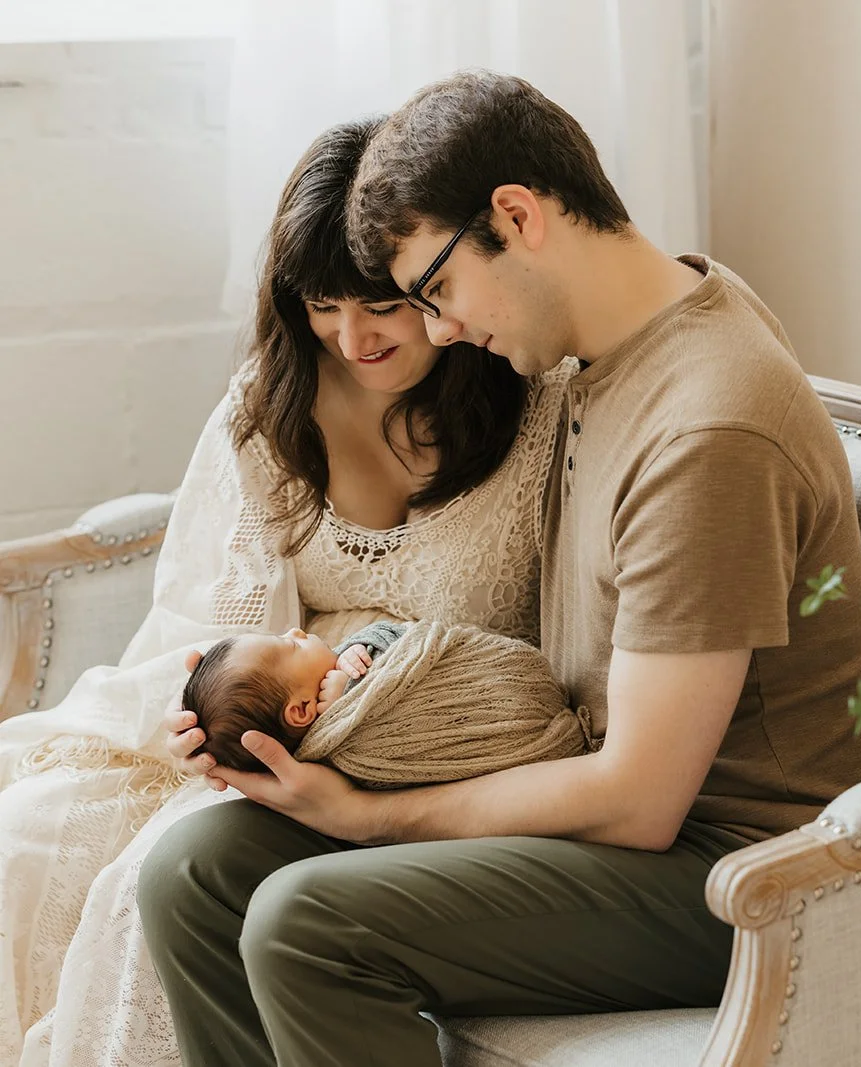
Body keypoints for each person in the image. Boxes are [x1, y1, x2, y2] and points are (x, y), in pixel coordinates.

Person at [141, 70, 861, 1066]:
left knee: (307, 922)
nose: (440, 330)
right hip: (613, 814)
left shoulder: (707, 429)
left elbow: (638, 797)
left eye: (437, 290)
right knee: (191, 867)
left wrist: (366, 816)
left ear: (518, 215)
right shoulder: (616, 344)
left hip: (733, 863)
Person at [0, 115, 571, 1066]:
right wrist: (204, 707)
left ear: (438, 285)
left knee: (149, 887)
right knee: (24, 839)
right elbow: (210, 619)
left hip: (430, 736)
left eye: (379, 305)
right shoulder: (272, 406)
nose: (352, 338)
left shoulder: (534, 391)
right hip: (273, 707)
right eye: (319, 305)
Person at [183, 621, 592, 786]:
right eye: (289, 643)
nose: (297, 629)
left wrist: (365, 651)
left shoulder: (347, 661)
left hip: (489, 673)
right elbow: (402, 736)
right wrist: (355, 692)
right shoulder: (340, 757)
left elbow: (402, 640)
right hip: (516, 718)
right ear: (302, 711)